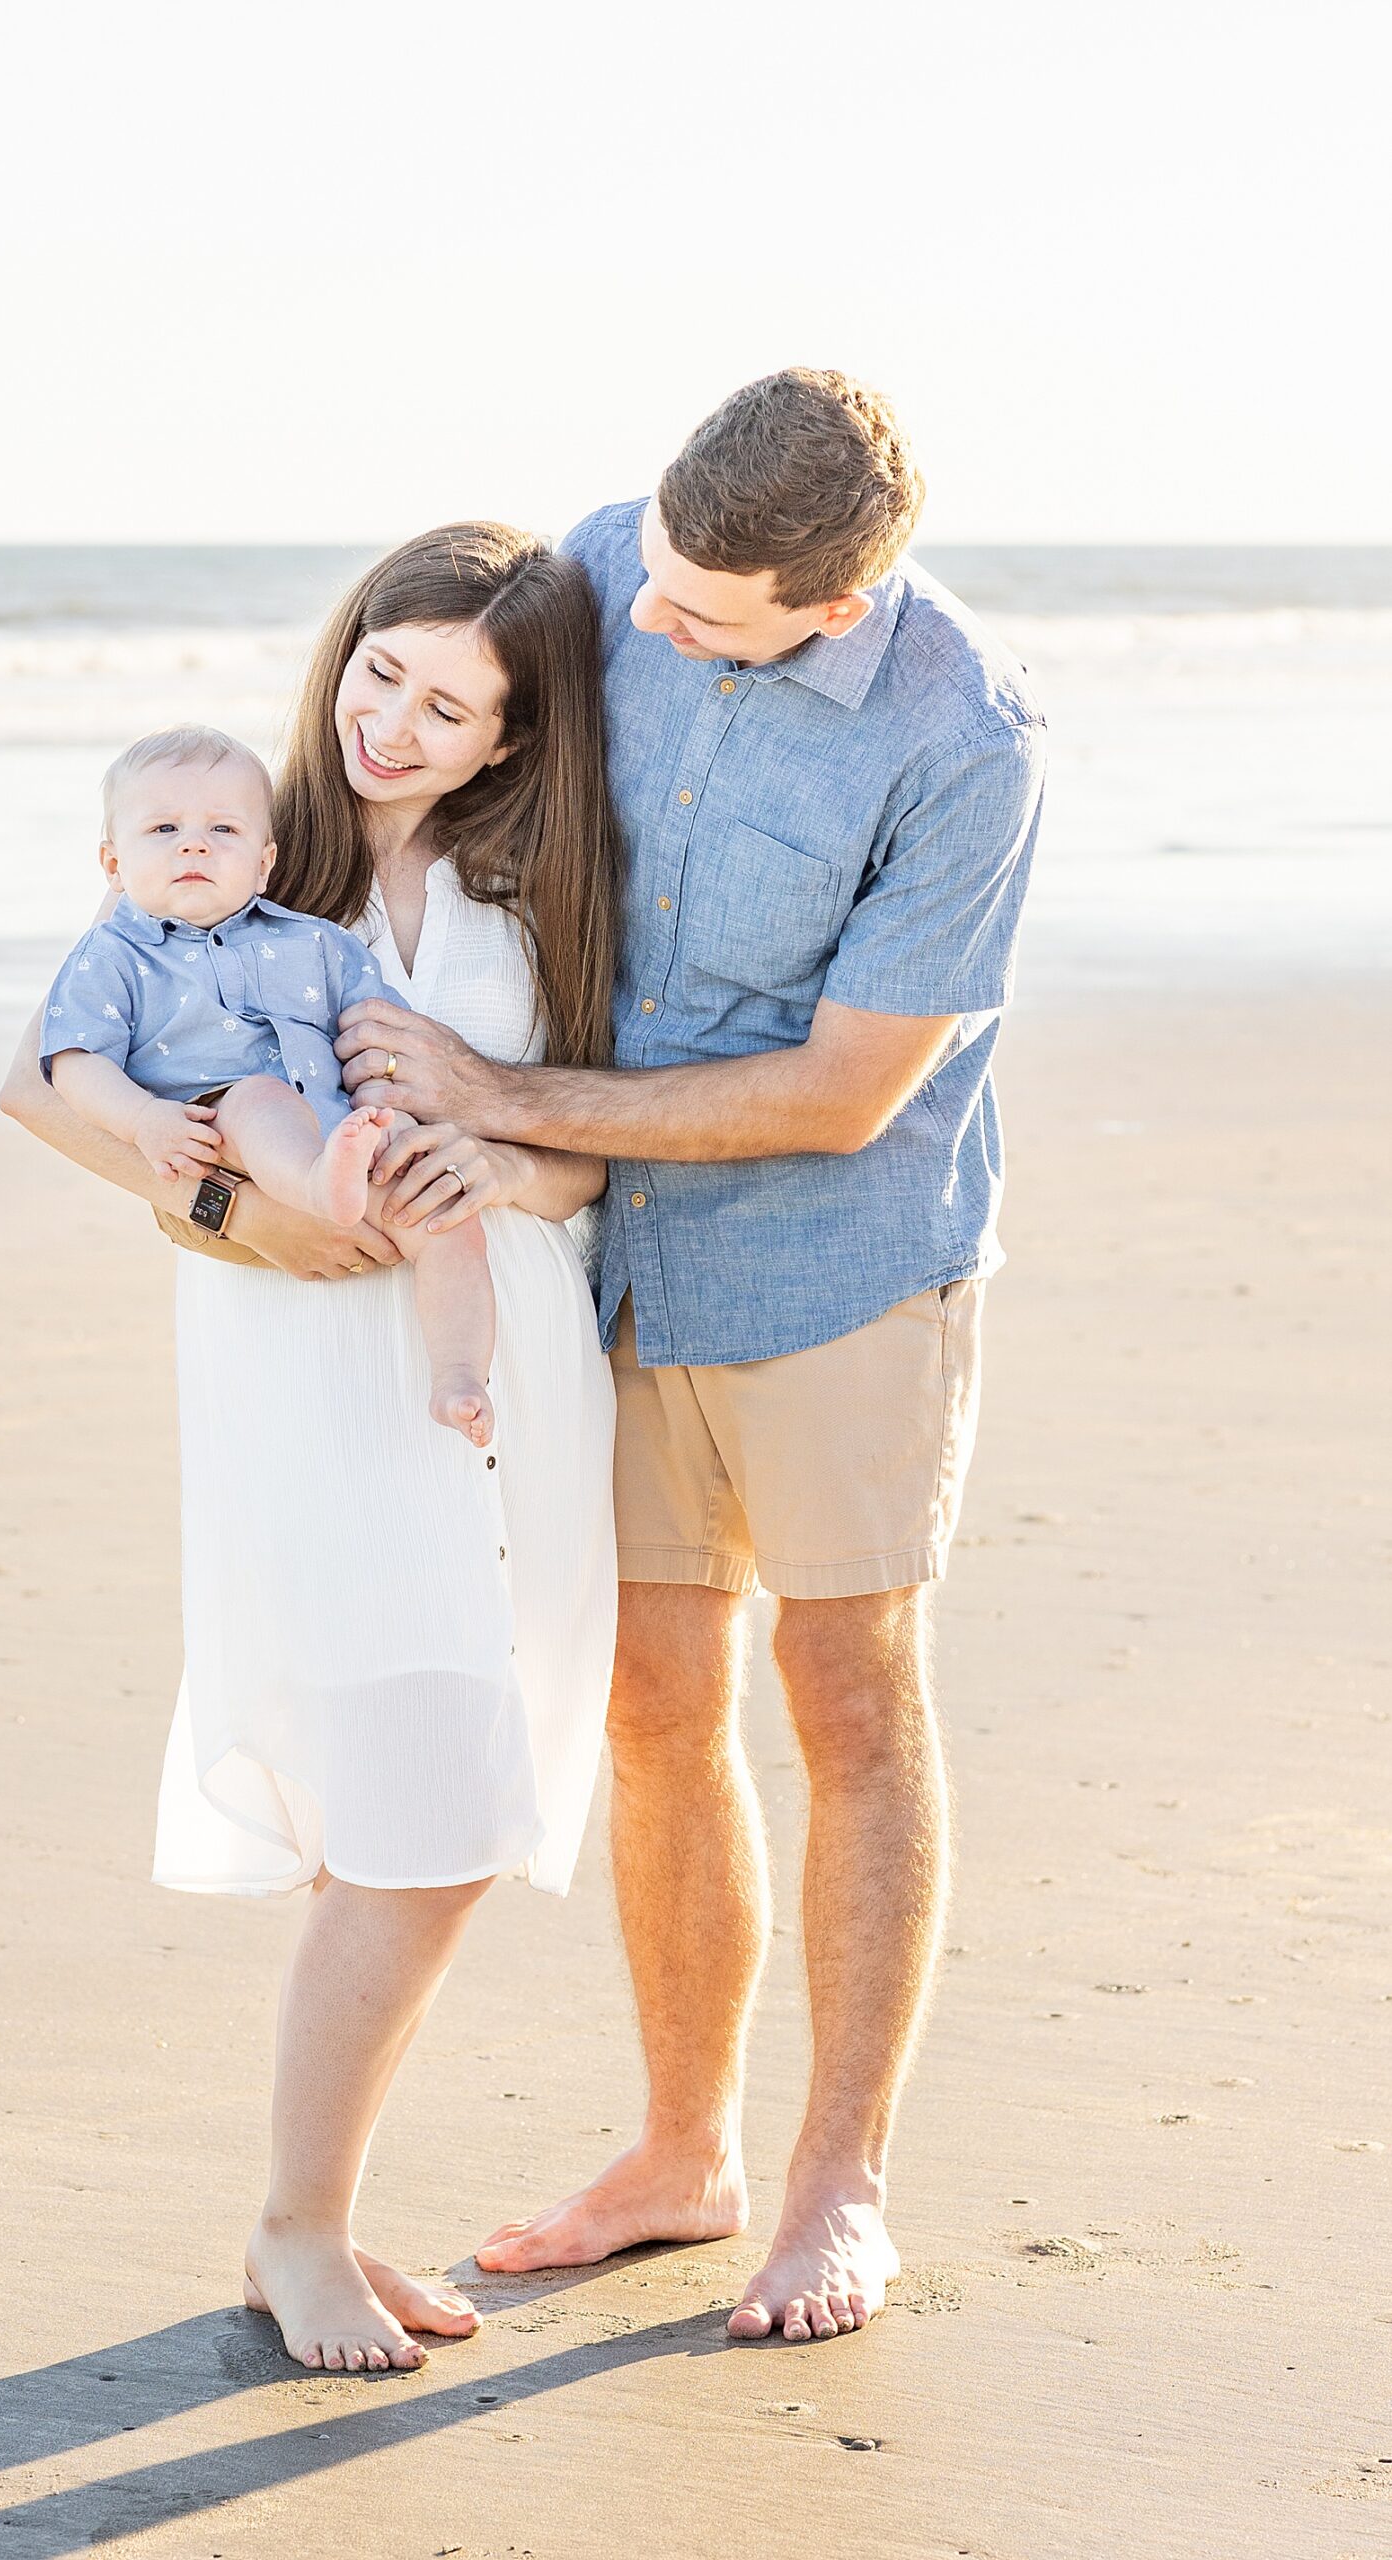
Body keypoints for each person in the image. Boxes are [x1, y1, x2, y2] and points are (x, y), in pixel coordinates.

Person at [336, 369, 1047, 2345]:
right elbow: (407, 748)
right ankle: (680, 2151)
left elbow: (840, 1093)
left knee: (844, 1695)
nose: (645, 622)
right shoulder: (603, 565)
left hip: (837, 1268)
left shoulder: (958, 740)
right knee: (656, 1695)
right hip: (598, 1259)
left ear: (829, 601)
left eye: (706, 613)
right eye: (650, 575)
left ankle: (837, 2187)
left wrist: (511, 1094)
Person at [0, 523, 622, 2373]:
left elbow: (593, 1141)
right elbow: (42, 1084)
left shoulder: (539, 893)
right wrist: (231, 1219)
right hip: (307, 1381)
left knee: (448, 1800)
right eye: (378, 673)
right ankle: (298, 2227)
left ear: (510, 738)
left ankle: (311, 2217)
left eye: (448, 705)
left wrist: (503, 1156)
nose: (393, 724)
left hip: (506, 1372)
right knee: (416, 1822)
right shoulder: (226, 852)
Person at [41, 726, 496, 1444]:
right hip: (220, 1127)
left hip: (338, 1127)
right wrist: (141, 1123)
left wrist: (384, 1112)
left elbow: (380, 1035)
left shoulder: (315, 942)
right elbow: (73, 1062)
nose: (193, 845)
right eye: (163, 828)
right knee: (256, 1098)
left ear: (262, 863)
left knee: (441, 1211)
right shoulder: (112, 955)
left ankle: (460, 1375)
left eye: (222, 829)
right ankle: (319, 1189)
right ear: (112, 862)